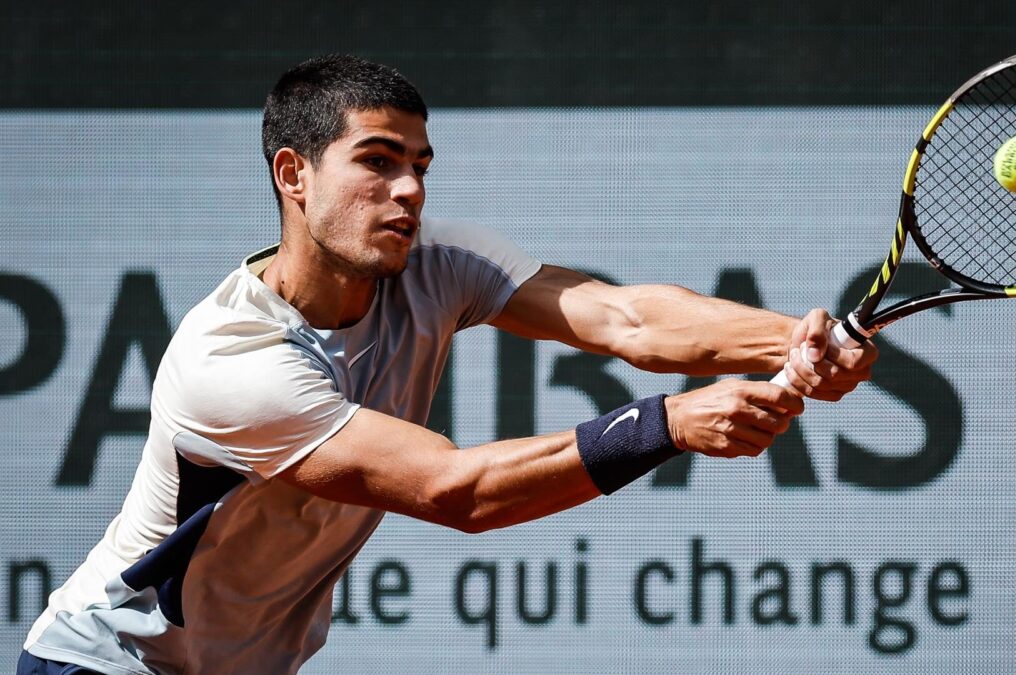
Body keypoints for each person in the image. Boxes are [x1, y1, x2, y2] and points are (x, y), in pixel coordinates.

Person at [19, 55, 877, 675]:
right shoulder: (233, 359)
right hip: (107, 661)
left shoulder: (435, 262)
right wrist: (669, 423)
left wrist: (794, 341)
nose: (409, 191)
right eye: (378, 162)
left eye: (419, 166)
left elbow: (625, 316)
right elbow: (454, 492)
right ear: (294, 174)